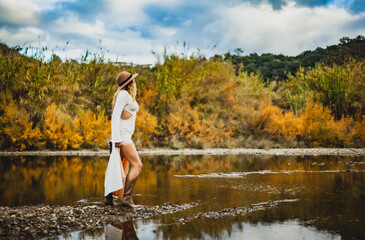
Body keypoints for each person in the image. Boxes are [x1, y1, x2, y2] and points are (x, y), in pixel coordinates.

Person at [104, 71, 143, 208]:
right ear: (130, 82)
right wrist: (116, 139)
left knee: (115, 166)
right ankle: (127, 199)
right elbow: (114, 118)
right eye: (133, 80)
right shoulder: (123, 95)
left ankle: (108, 199)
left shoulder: (125, 95)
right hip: (123, 136)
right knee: (137, 165)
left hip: (124, 135)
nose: (134, 81)